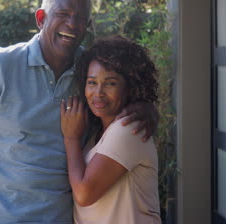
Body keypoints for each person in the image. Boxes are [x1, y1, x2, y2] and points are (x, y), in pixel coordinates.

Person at [0, 0, 157, 223]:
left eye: (80, 18)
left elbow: (120, 96)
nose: (72, 24)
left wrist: (146, 107)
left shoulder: (89, 72)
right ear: (41, 18)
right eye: (63, 14)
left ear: (87, 26)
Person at [61, 35, 161, 223]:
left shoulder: (128, 129)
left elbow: (84, 194)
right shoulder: (96, 134)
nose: (98, 93)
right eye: (92, 82)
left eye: (110, 83)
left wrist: (71, 139)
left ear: (130, 87)